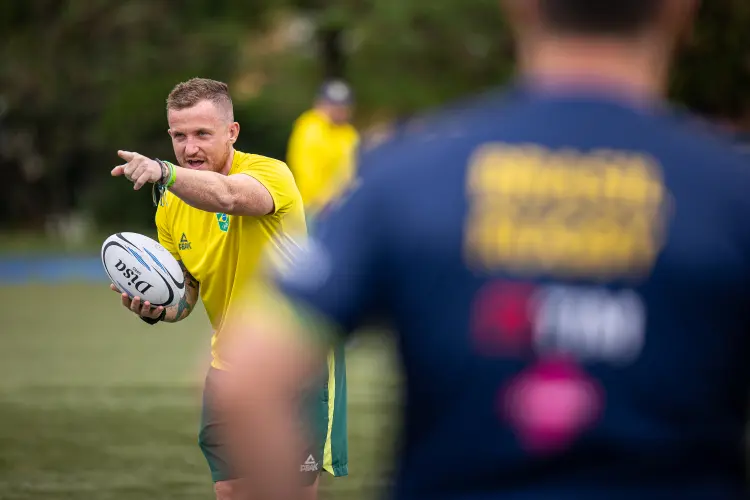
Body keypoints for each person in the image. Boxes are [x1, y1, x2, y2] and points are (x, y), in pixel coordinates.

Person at [220, 0, 750, 499]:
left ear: (518, 7)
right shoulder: (731, 187)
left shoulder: (410, 173)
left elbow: (248, 379)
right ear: (682, 9)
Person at [109, 77, 347, 500]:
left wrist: (164, 170)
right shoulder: (169, 204)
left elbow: (229, 197)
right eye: (179, 136)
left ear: (231, 132)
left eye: (202, 134)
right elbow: (186, 294)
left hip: (294, 363)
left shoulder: (270, 174)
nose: (190, 147)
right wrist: (154, 307)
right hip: (228, 366)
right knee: (233, 491)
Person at [286, 80, 359, 225]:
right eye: (332, 104)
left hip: (341, 207)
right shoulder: (310, 127)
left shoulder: (348, 133)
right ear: (320, 103)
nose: (339, 110)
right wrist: (319, 201)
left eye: (343, 105)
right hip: (313, 208)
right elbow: (304, 169)